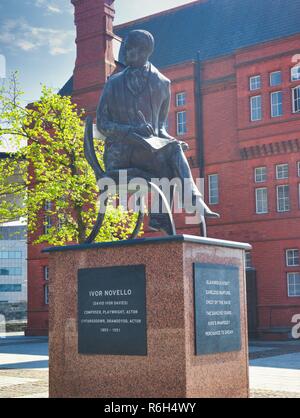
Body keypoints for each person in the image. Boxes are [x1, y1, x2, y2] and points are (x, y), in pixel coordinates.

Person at [96, 29, 219, 234]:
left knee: (173, 149)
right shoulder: (113, 83)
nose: (124, 53)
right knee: (170, 157)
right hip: (120, 155)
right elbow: (102, 122)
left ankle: (167, 213)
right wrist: (130, 130)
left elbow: (160, 127)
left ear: (144, 52)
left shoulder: (162, 83)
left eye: (129, 49)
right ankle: (183, 204)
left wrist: (171, 139)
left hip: (147, 153)